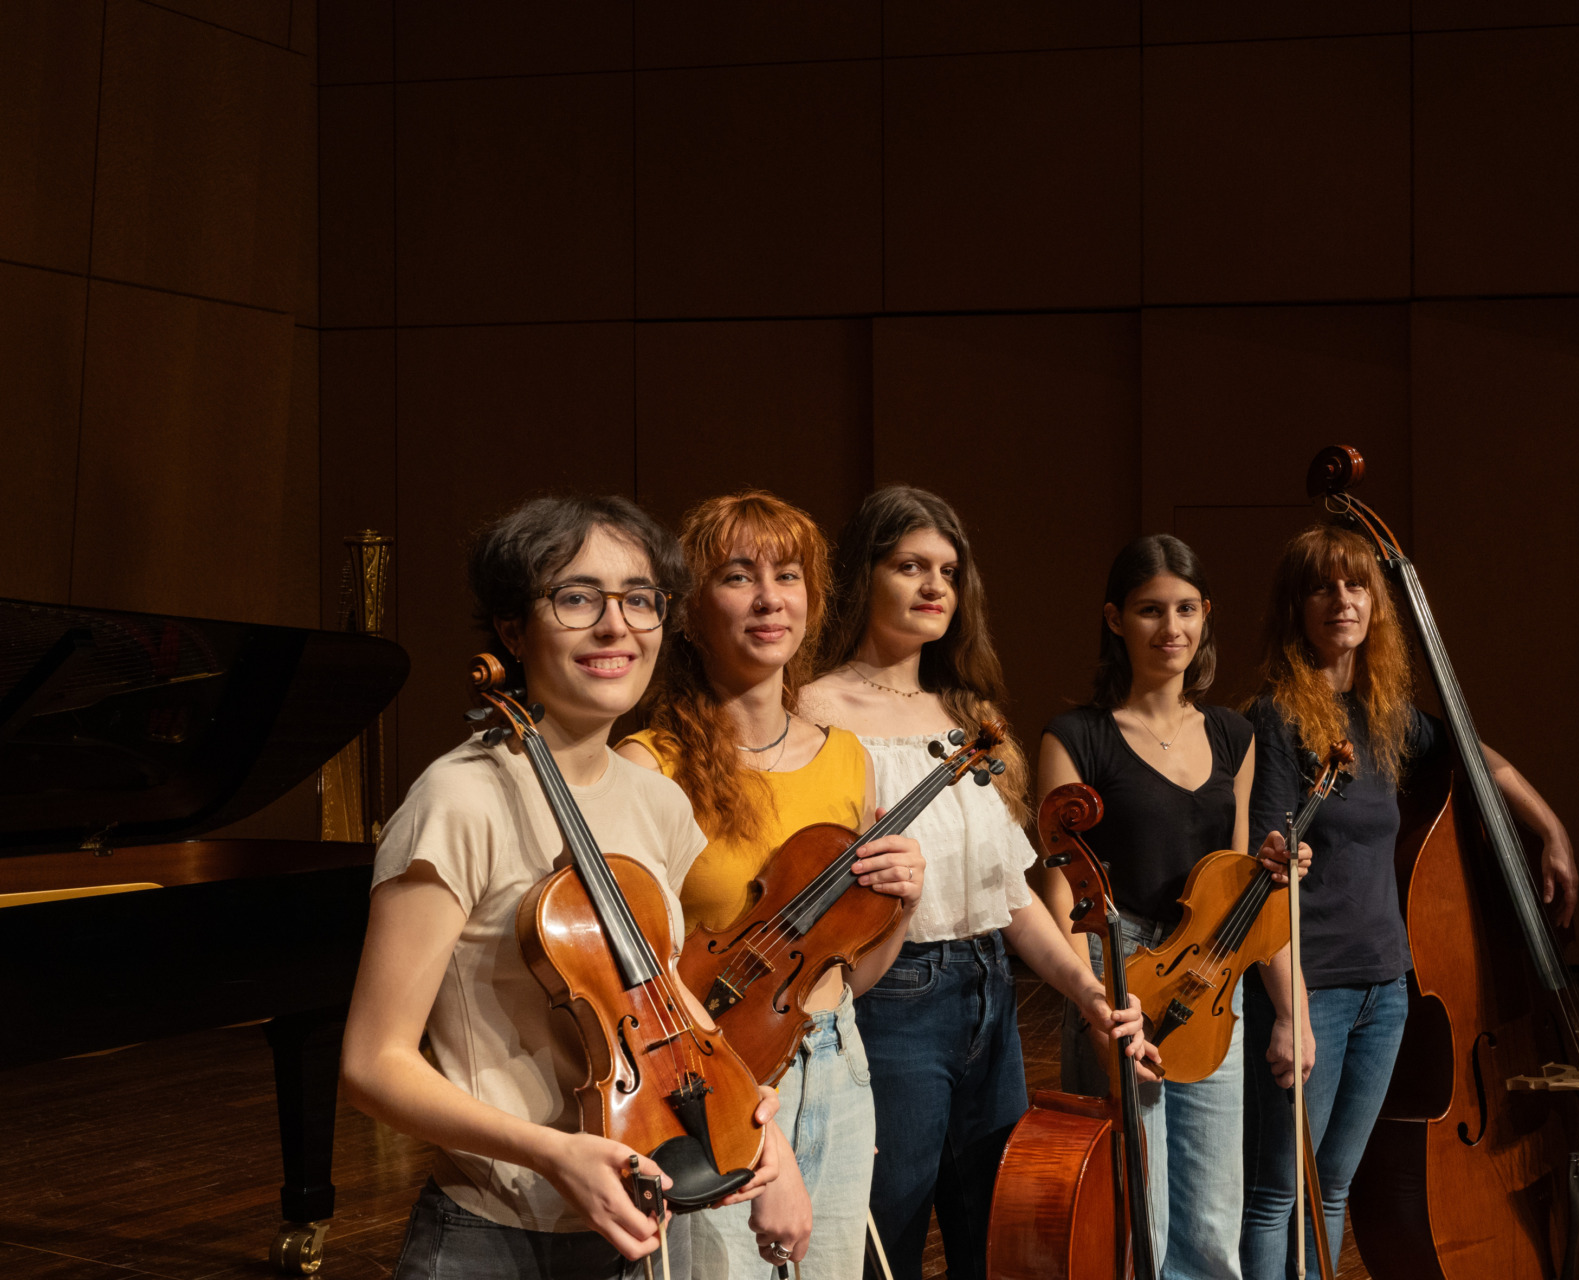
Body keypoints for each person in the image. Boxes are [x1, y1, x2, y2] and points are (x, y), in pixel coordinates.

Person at [339, 494, 797, 1280]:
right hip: (501, 1236)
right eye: (577, 597)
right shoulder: (459, 800)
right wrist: (554, 1154)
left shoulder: (657, 799)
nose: (616, 626)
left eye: (640, 599)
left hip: (651, 1208)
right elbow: (372, 1065)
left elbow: (656, 996)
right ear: (514, 631)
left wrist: (756, 1125)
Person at [798, 484, 1149, 1280]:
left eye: (949, 572)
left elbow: (1009, 892)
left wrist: (1084, 989)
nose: (934, 588)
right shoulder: (816, 712)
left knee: (994, 1242)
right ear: (862, 577)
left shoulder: (966, 713)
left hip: (989, 994)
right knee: (881, 1242)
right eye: (910, 566)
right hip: (888, 1002)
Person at [1238, 523, 1576, 1279]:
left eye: (1356, 584)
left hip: (1386, 988)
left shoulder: (1384, 715)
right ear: (1295, 606)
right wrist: (1289, 1009)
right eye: (1322, 586)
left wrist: (1548, 825)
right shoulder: (1277, 717)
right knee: (1275, 1192)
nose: (1342, 600)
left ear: (1376, 604)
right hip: (1310, 984)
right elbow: (1262, 872)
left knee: (1331, 1185)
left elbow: (1473, 754)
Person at [615, 490, 925, 1280]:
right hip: (712, 1083)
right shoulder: (650, 764)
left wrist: (898, 909)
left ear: (812, 603)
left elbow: (844, 973)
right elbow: (634, 981)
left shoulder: (847, 757)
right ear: (689, 613)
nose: (767, 598)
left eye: (787, 576)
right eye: (738, 576)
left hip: (840, 1064)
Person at [1035, 533, 1299, 1280]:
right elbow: (1059, 894)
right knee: (1133, 1213)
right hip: (1117, 972)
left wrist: (1289, 1007)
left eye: (1186, 609)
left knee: (1213, 1223)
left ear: (1206, 615)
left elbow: (1245, 886)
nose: (1171, 628)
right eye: (1151, 610)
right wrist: (1095, 1000)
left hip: (1213, 982)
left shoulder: (1234, 734)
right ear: (1116, 619)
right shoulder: (1076, 737)